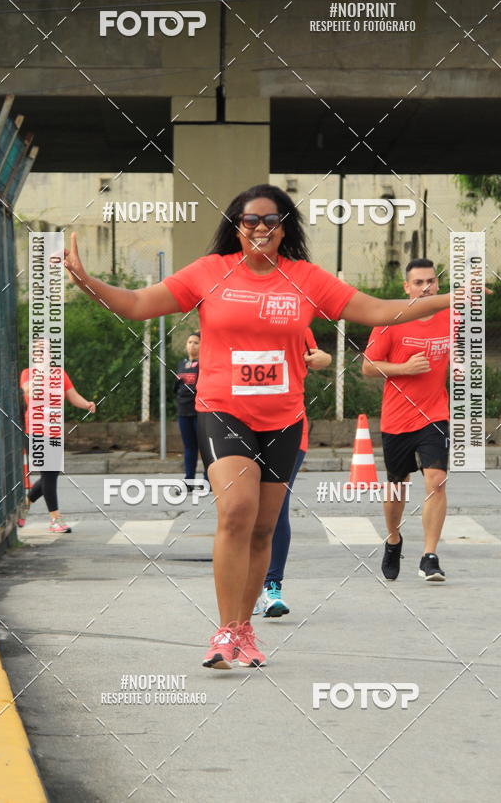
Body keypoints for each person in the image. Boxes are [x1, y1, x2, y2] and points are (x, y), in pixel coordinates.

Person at [64, 185, 451, 669]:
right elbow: (139, 303)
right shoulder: (210, 273)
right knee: (237, 511)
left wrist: (450, 300)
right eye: (251, 220)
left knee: (264, 527)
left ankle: (245, 630)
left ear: (284, 227)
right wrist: (86, 281)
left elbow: (377, 310)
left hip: (284, 418)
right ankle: (224, 631)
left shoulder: (305, 279)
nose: (261, 228)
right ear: (237, 225)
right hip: (223, 410)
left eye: (272, 220)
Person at [362, 258, 452, 582]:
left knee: (436, 480)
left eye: (430, 281)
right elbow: (368, 367)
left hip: (435, 415)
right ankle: (393, 539)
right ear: (406, 287)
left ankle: (430, 557)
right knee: (397, 488)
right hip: (398, 418)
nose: (426, 287)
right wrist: (404, 369)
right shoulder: (391, 319)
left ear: (438, 285)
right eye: (418, 282)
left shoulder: (450, 317)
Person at [254, 327, 331, 618]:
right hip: (241, 430)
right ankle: (248, 587)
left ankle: (272, 588)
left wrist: (323, 357)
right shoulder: (234, 317)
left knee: (276, 508)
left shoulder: (294, 320)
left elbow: (317, 355)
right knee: (243, 508)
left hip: (289, 429)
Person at [20, 339, 96, 533]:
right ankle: (55, 519)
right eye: (37, 350)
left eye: (45, 350)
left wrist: (87, 404)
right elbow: (28, 390)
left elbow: (72, 396)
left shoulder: (60, 375)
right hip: (35, 430)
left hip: (54, 430)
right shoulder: (28, 374)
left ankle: (23, 505)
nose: (42, 353)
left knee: (50, 474)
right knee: (49, 474)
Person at [173, 332, 201, 490]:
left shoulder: (204, 364)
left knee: (204, 448)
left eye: (196, 342)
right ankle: (189, 480)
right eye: (189, 342)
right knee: (189, 447)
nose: (192, 345)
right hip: (183, 411)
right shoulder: (181, 365)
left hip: (199, 411)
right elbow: (176, 387)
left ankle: (208, 480)